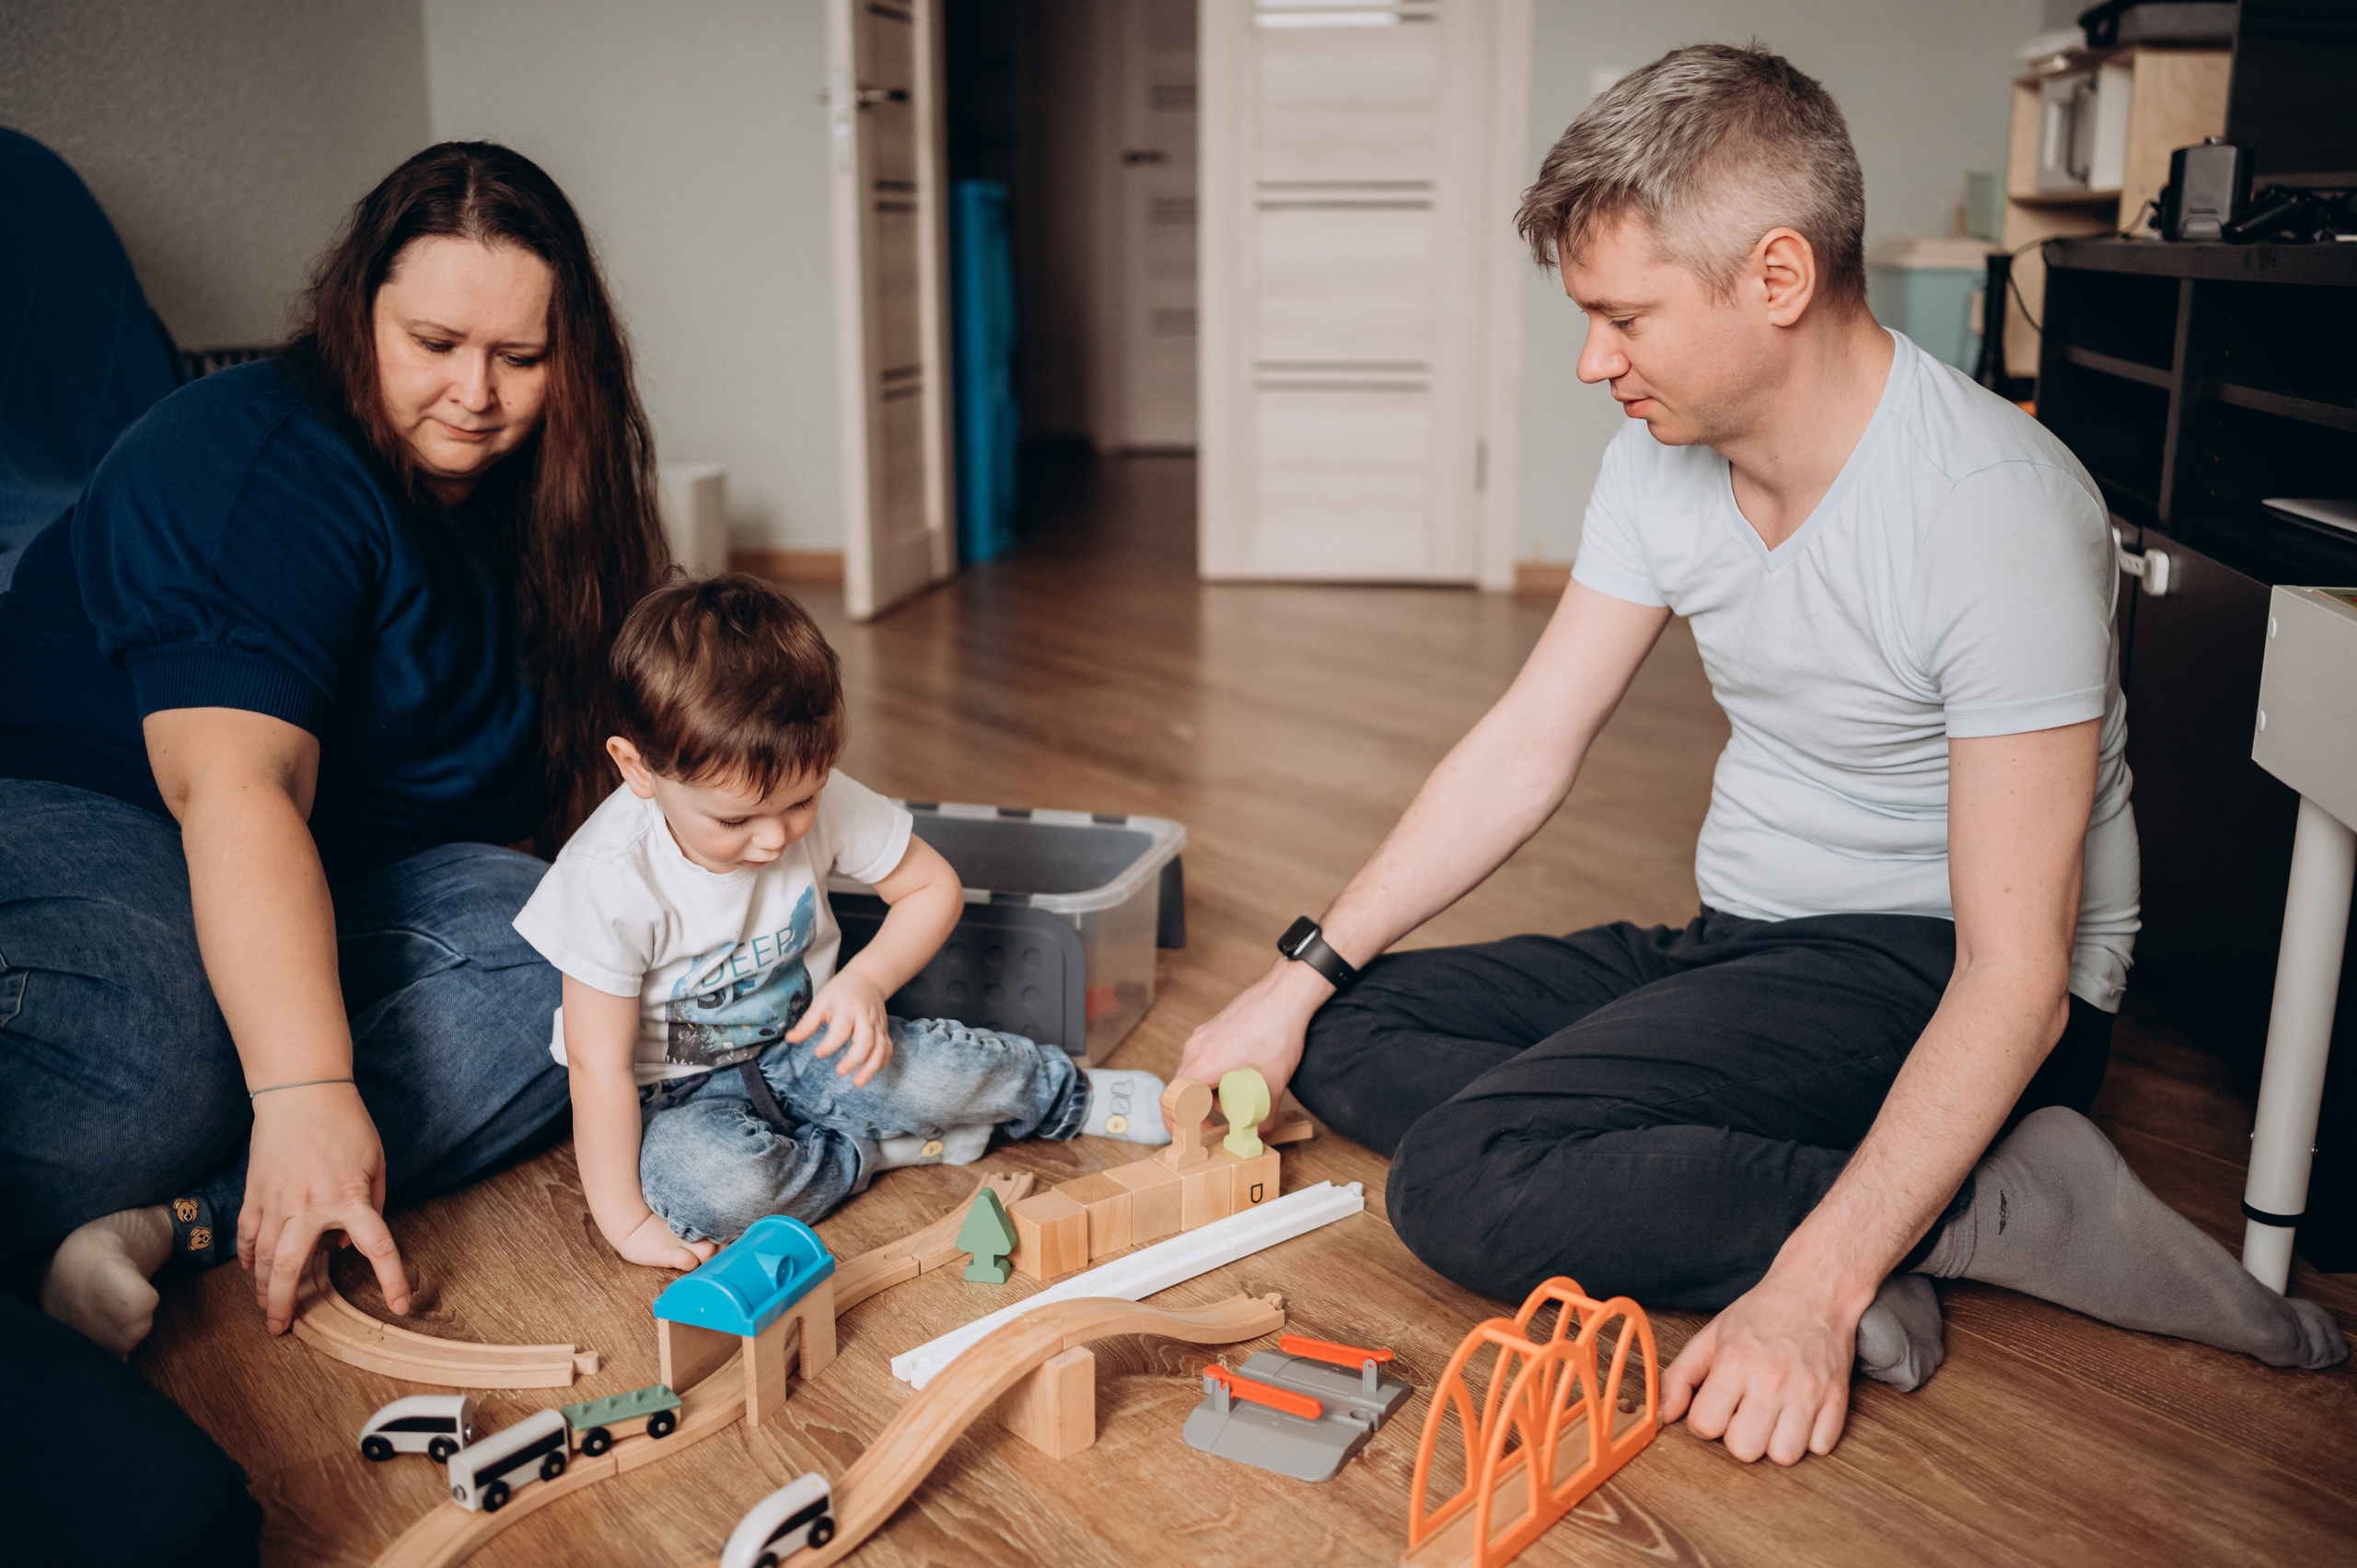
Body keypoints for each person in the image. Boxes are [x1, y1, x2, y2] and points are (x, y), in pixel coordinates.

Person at [1175, 43, 2346, 1468]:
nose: (1596, 360)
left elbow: (2017, 975)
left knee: (1465, 1176)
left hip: (1938, 968)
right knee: (1346, 1026)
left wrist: (1810, 1288)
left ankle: (1974, 1207)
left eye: (1625, 318)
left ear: (1777, 279)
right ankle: (1926, 1201)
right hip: (1739, 943)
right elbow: (1531, 742)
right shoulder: (1658, 454)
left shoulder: (1994, 509)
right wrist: (1292, 971)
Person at [0, 142, 666, 1357]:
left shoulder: (551, 498)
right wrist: (305, 1084)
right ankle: (251, 1126)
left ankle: (178, 1219)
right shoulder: (249, 459)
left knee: (582, 972)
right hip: (96, 805)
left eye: (520, 358)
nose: (475, 393)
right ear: (358, 312)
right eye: (434, 345)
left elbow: (608, 779)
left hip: (341, 855)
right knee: (175, 1048)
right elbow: (237, 788)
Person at [513, 574, 1168, 1267]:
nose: (774, 839)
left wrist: (866, 983)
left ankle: (1067, 1095)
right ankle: (873, 1149)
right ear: (638, 767)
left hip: (813, 1041)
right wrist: (625, 1222)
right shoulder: (608, 876)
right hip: (680, 1098)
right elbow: (598, 1066)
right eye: (735, 819)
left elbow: (930, 886)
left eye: (801, 803)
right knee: (711, 1188)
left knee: (936, 1075)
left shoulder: (807, 788)